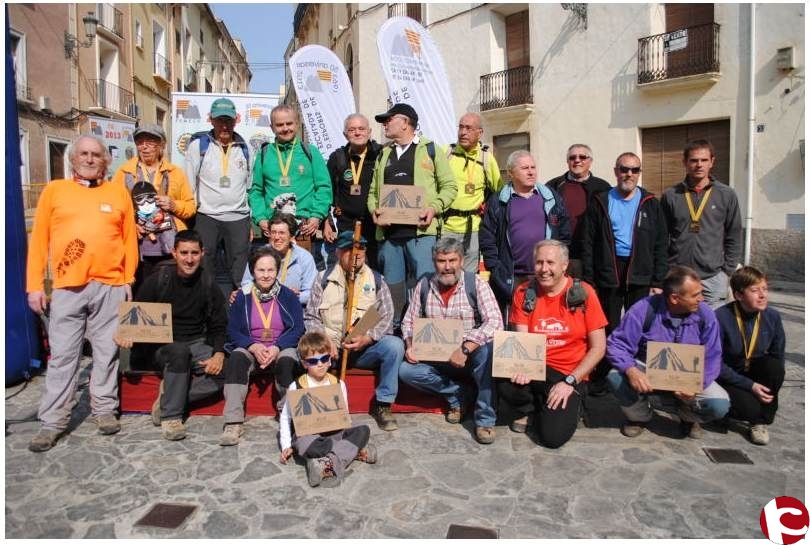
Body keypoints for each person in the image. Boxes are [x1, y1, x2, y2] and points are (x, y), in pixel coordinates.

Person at [26, 135, 139, 452]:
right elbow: (39, 241)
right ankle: (53, 421)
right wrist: (34, 285)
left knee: (107, 352)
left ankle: (104, 408)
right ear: (73, 159)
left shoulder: (117, 192)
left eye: (96, 155)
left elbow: (128, 239)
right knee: (63, 355)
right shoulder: (55, 191)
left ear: (105, 161)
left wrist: (127, 278)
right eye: (84, 154)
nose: (90, 159)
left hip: (110, 285)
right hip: (67, 286)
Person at [115, 230, 229, 443]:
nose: (189, 259)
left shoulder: (208, 283)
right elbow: (136, 315)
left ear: (202, 253)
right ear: (174, 253)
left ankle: (168, 399)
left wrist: (219, 354)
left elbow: (219, 324)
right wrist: (126, 334)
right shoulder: (158, 280)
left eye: (194, 253)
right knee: (179, 351)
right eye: (184, 253)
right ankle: (171, 417)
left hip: (197, 343)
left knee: (230, 369)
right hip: (162, 346)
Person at [503, 240, 607, 448]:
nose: (544, 269)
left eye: (550, 263)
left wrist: (569, 381)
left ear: (564, 265)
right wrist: (523, 367)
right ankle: (531, 408)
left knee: (552, 437)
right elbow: (524, 341)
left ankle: (569, 404)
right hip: (538, 369)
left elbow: (599, 348)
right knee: (500, 371)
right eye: (539, 262)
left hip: (570, 373)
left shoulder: (584, 293)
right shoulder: (524, 292)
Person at [606, 265, 730, 439]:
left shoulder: (706, 315)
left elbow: (713, 356)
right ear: (674, 298)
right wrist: (631, 370)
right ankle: (639, 417)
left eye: (701, 293)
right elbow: (617, 344)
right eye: (695, 295)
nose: (701, 298)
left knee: (719, 404)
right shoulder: (643, 309)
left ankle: (688, 417)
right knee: (615, 377)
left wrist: (697, 386)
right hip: (647, 369)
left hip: (689, 377)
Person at [399, 238, 504, 444]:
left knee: (488, 353)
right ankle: (459, 394)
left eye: (452, 260)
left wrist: (465, 349)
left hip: (469, 357)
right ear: (434, 262)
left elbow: (495, 322)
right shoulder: (424, 285)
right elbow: (408, 322)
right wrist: (410, 345)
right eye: (441, 261)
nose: (447, 267)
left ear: (461, 261)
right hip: (437, 358)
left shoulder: (476, 284)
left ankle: (485, 420)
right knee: (406, 370)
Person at [581, 152, 668, 393]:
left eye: (634, 170)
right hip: (609, 271)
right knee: (607, 326)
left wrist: (658, 281)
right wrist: (589, 280)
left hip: (640, 271)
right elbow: (588, 243)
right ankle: (603, 375)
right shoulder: (600, 201)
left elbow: (661, 244)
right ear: (615, 171)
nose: (629, 174)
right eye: (624, 169)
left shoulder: (651, 203)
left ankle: (636, 375)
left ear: (639, 173)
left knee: (639, 327)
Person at [304, 231, 405, 432]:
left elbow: (386, 318)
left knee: (395, 345)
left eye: (360, 249)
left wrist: (368, 338)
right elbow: (311, 317)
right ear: (338, 252)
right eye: (349, 250)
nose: (356, 254)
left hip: (363, 350)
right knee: (307, 347)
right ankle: (317, 409)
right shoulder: (323, 279)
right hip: (330, 351)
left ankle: (383, 404)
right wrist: (324, 341)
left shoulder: (376, 280)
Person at [368, 103, 457, 325]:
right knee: (392, 291)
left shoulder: (430, 150)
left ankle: (426, 333)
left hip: (422, 233)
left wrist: (433, 207)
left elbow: (450, 187)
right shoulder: (383, 154)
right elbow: (373, 193)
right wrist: (374, 211)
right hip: (390, 236)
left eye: (389, 119)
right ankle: (393, 332)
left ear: (406, 123)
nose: (385, 124)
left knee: (426, 287)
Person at [226, 246, 305, 441]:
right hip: (252, 347)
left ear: (277, 271)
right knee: (236, 358)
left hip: (281, 346)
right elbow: (232, 329)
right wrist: (252, 346)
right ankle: (233, 421)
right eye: (261, 270)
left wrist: (277, 347)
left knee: (287, 361)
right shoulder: (242, 296)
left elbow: (297, 328)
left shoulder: (288, 296)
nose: (266, 275)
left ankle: (288, 415)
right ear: (253, 271)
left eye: (271, 270)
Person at [279, 331, 378, 488]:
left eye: (324, 359)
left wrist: (346, 427)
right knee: (305, 444)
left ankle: (325, 463)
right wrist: (286, 445)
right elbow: (286, 417)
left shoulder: (338, 384)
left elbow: (343, 414)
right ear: (304, 364)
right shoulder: (296, 386)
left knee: (363, 430)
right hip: (309, 435)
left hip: (335, 432)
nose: (320, 364)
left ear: (330, 360)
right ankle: (351, 452)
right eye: (313, 361)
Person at [479, 150, 571, 317]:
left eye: (533, 167)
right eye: (525, 168)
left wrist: (558, 263)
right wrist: (495, 267)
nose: (531, 172)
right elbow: (487, 236)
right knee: (514, 323)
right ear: (511, 173)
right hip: (511, 276)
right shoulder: (499, 201)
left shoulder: (551, 198)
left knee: (544, 320)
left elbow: (564, 233)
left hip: (545, 274)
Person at [112, 123, 196, 290]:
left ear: (161, 145)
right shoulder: (124, 172)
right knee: (142, 292)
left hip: (168, 246)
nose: (144, 147)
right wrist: (131, 225)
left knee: (167, 291)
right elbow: (114, 208)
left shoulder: (175, 172)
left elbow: (190, 207)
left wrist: (173, 205)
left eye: (150, 142)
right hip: (137, 246)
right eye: (140, 142)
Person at [661, 139, 743, 307]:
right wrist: (666, 270)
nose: (699, 165)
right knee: (677, 321)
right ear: (685, 162)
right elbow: (661, 237)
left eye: (704, 160)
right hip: (678, 278)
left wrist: (727, 271)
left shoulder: (726, 195)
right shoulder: (671, 195)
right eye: (694, 160)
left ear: (712, 162)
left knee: (711, 322)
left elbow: (734, 234)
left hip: (713, 278)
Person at [183, 98, 252, 292]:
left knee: (240, 273)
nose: (224, 125)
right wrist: (191, 217)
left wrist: (249, 219)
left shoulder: (245, 148)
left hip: (238, 217)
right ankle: (206, 305)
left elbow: (249, 185)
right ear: (211, 120)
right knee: (204, 268)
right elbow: (189, 184)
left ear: (236, 120)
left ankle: (239, 306)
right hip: (207, 216)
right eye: (220, 120)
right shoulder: (198, 146)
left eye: (228, 120)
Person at [715, 266, 785, 445]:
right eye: (755, 290)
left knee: (774, 367)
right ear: (739, 295)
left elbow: (778, 355)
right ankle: (731, 410)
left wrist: (770, 383)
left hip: (754, 370)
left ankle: (760, 422)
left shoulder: (772, 316)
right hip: (729, 376)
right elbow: (715, 363)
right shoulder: (721, 317)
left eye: (765, 289)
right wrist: (750, 386)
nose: (762, 295)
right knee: (749, 409)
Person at [249, 104, 332, 253]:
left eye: (289, 123)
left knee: (302, 266)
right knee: (274, 267)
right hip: (274, 227)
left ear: (297, 123)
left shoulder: (310, 152)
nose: (285, 128)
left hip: (303, 227)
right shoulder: (264, 154)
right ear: (272, 127)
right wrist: (260, 218)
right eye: (279, 125)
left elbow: (323, 187)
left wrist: (316, 216)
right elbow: (256, 191)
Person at [441, 113, 504, 273]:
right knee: (446, 273)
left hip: (474, 229)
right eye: (461, 127)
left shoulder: (486, 158)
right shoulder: (446, 153)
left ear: (479, 133)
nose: (463, 132)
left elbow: (500, 192)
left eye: (468, 128)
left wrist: (489, 211)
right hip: (446, 226)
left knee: (469, 277)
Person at [325, 113, 383, 269]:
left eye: (361, 129)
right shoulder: (337, 158)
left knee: (375, 271)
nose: (357, 133)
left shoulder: (381, 154)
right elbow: (326, 192)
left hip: (375, 224)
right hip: (346, 224)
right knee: (348, 268)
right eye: (352, 130)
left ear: (369, 132)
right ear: (345, 134)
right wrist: (327, 221)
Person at [546, 144, 611, 278]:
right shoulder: (553, 186)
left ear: (590, 161)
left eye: (582, 157)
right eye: (572, 157)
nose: (577, 160)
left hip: (592, 255)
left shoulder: (603, 187)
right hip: (560, 254)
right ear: (567, 161)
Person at [238, 212, 317, 307]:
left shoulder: (304, 257)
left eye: (281, 233)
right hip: (262, 307)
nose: (276, 237)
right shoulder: (259, 255)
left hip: (291, 308)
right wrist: (260, 292)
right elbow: (246, 283)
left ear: (291, 236)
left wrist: (295, 296)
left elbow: (313, 292)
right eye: (273, 232)